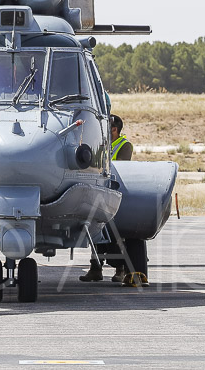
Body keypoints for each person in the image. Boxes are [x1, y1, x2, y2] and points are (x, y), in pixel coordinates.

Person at [80, 114, 135, 284]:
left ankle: (120, 269)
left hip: (114, 191)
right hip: (99, 190)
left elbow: (120, 168)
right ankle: (95, 268)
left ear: (114, 129)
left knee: (116, 236)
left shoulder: (124, 146)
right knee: (96, 231)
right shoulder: (101, 143)